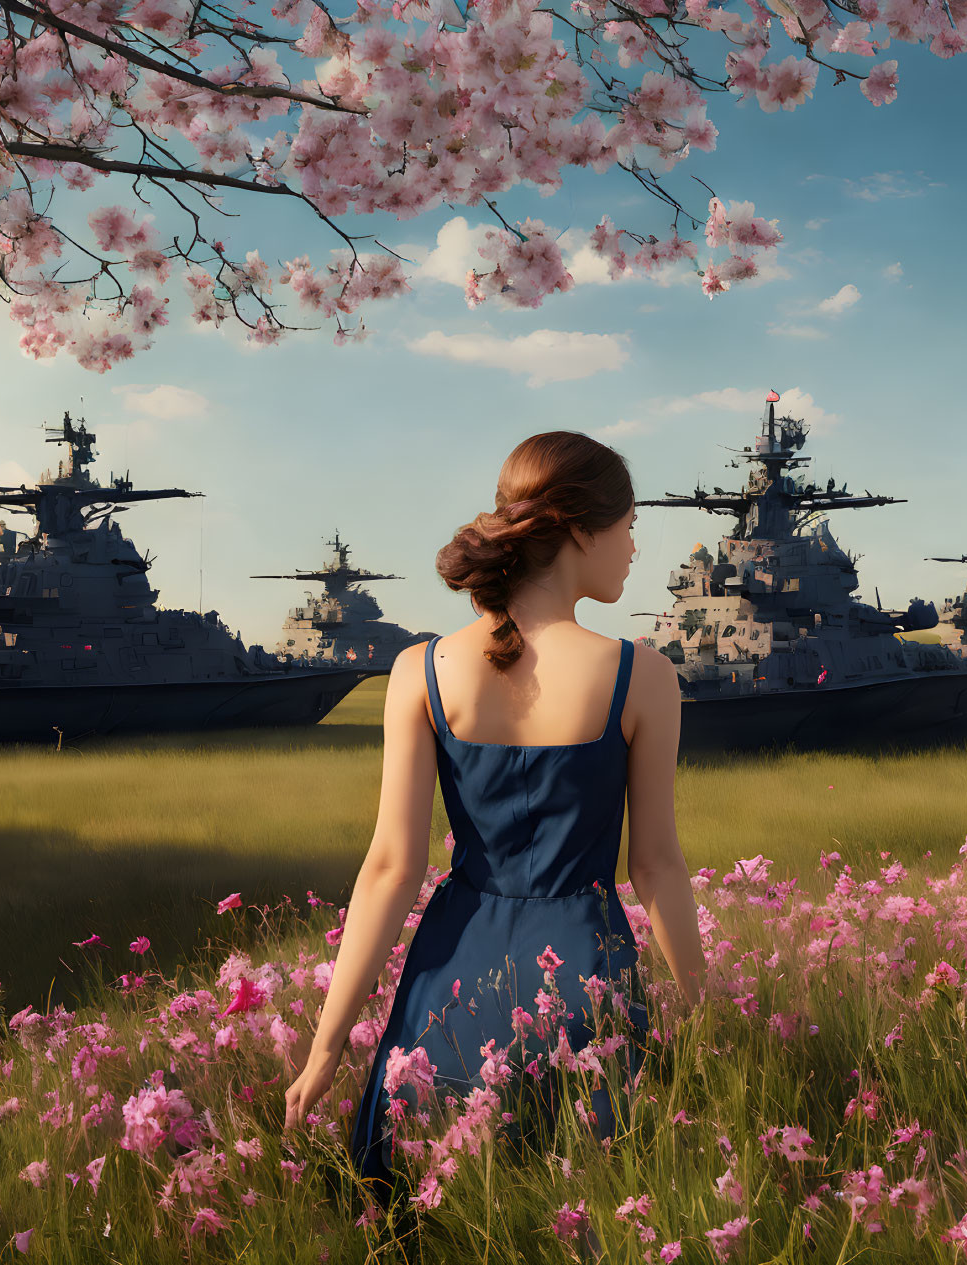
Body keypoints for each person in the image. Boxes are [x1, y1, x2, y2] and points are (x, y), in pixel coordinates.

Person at [279, 430, 708, 1218]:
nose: (636, 544)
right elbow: (656, 867)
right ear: (580, 527)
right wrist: (703, 1006)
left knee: (430, 1205)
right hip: (583, 975)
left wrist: (329, 1041)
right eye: (629, 524)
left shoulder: (420, 671)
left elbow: (389, 869)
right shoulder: (643, 676)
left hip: (449, 977)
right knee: (583, 1202)